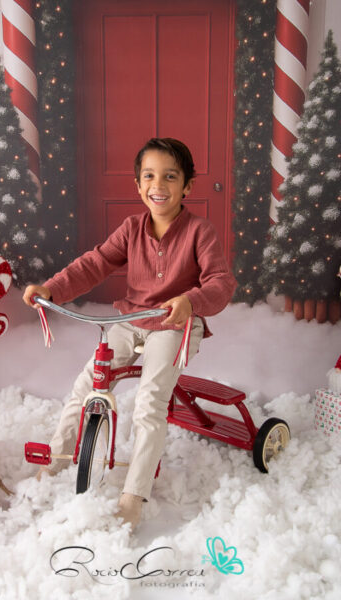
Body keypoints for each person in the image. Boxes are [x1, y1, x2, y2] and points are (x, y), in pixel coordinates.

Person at [23, 137, 237, 530]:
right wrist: (51, 289)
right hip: (133, 320)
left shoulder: (199, 232)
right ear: (138, 185)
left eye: (170, 177)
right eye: (150, 176)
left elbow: (221, 283)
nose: (159, 185)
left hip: (174, 325)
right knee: (87, 383)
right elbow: (95, 263)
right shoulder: (131, 229)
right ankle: (55, 458)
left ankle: (133, 496)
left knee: (149, 402)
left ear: (187, 186)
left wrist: (190, 301)